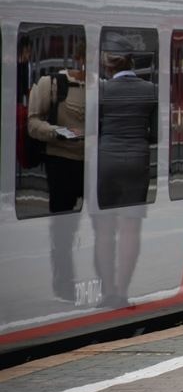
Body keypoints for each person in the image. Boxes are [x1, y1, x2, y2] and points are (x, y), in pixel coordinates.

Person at [95, 33, 159, 308]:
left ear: (108, 65)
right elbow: (155, 133)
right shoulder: (150, 90)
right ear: (131, 61)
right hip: (137, 160)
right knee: (131, 229)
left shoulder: (102, 91)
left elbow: (94, 129)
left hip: (106, 160)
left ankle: (107, 292)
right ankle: (122, 293)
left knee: (104, 230)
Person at [27, 40, 86, 302]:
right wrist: (57, 133)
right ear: (78, 56)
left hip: (93, 164)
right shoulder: (50, 84)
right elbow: (32, 123)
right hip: (61, 162)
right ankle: (64, 282)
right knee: (63, 229)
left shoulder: (103, 86)